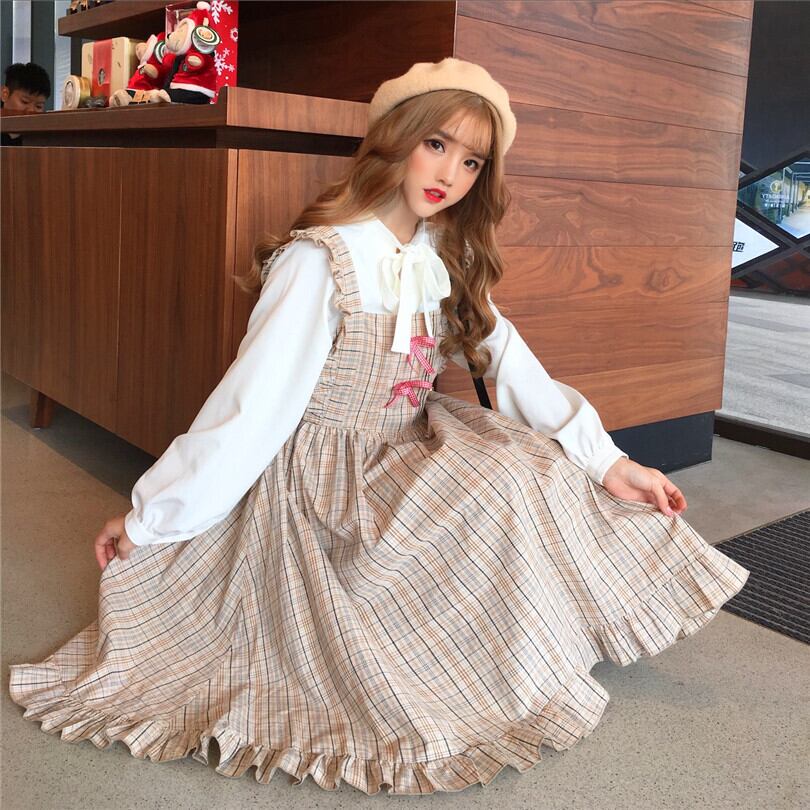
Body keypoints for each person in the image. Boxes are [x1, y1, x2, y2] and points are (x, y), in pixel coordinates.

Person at [8, 58, 750, 795]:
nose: (450, 174)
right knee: (488, 494)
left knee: (533, 471)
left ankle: (496, 655)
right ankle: (449, 667)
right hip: (324, 475)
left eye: (471, 161)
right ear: (397, 138)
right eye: (437, 144)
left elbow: (511, 361)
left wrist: (609, 462)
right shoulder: (320, 260)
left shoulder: (441, 253)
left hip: (409, 441)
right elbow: (252, 408)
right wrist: (151, 518)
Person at [0, 62, 51, 146]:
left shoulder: (42, 136)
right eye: (25, 102)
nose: (31, 110)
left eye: (38, 106)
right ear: (5, 94)